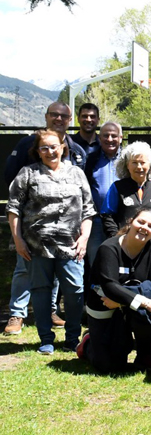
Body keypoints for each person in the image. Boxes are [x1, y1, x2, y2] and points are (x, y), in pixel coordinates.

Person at [7, 129, 95, 354]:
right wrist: (18, 240)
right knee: (40, 291)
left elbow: (88, 210)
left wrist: (84, 237)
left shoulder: (76, 173)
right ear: (37, 151)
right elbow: (14, 209)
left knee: (75, 292)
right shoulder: (28, 173)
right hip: (37, 246)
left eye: (54, 146)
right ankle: (46, 338)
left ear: (63, 147)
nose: (50, 151)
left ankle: (72, 337)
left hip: (71, 246)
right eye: (44, 147)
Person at [79, 208, 151, 373]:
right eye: (140, 222)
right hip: (103, 306)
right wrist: (144, 299)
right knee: (108, 366)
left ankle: (145, 354)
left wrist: (121, 300)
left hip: (122, 304)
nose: (144, 227)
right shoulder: (108, 248)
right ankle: (89, 341)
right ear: (131, 222)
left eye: (150, 226)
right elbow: (110, 286)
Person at [100, 141, 151, 247]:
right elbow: (107, 216)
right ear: (127, 165)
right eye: (134, 162)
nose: (139, 167)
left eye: (143, 162)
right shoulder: (117, 187)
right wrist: (117, 239)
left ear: (150, 164)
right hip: (123, 246)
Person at [84, 121, 123, 265]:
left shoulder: (128, 159)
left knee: (120, 261)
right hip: (96, 221)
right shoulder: (91, 159)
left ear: (121, 138)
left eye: (114, 136)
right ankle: (96, 288)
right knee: (96, 262)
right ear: (99, 138)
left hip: (121, 221)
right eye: (105, 136)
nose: (110, 139)